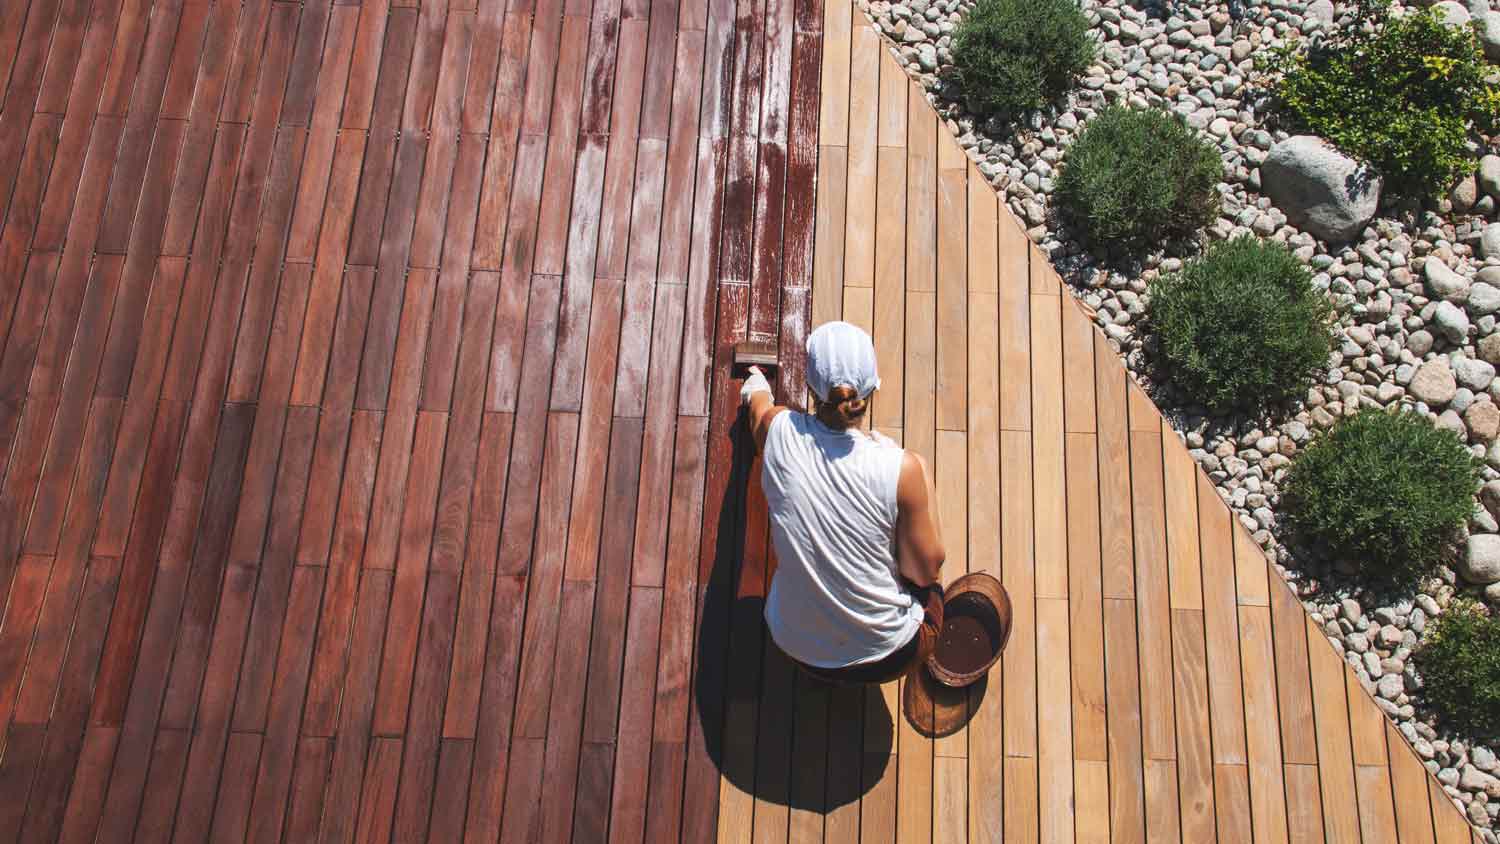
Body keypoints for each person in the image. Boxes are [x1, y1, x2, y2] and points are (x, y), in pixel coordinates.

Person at [739, 321, 947, 685]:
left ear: (811, 388)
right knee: (930, 578)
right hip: (890, 655)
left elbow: (757, 409)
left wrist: (755, 381)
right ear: (872, 389)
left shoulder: (778, 432)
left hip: (796, 646)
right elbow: (925, 572)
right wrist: (919, 475)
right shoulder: (900, 467)